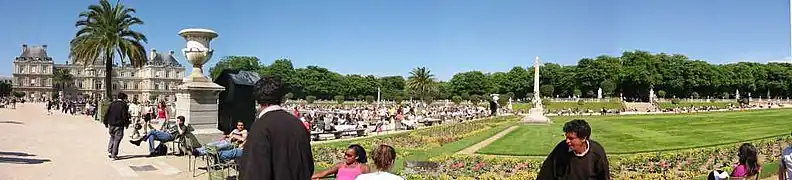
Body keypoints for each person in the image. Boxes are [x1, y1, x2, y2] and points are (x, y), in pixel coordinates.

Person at [239, 76, 314, 180]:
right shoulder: (298, 124)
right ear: (282, 98)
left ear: (257, 99)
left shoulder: (260, 127)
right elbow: (308, 166)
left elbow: (253, 172)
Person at [537, 119, 610, 180]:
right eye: (566, 137)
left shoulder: (597, 152)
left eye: (571, 138)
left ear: (583, 138)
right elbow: (546, 173)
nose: (567, 141)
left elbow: (604, 177)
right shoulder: (561, 148)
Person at [103, 93, 131, 160]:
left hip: (111, 123)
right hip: (119, 124)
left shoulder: (112, 103)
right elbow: (125, 115)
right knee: (117, 139)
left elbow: (107, 113)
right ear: (123, 98)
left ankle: (110, 150)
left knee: (112, 137)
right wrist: (126, 124)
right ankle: (114, 154)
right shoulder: (123, 104)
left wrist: (105, 122)